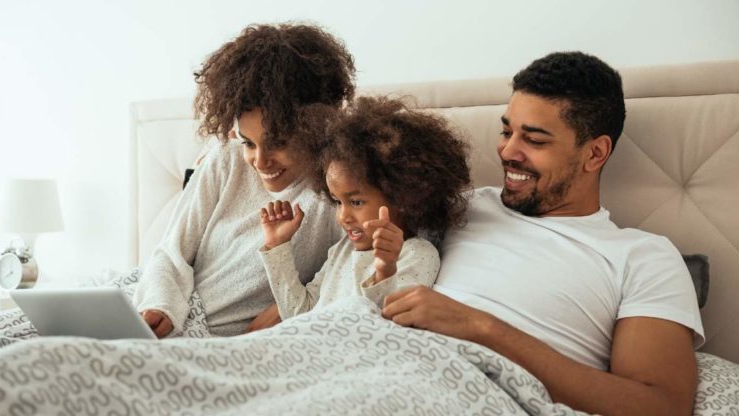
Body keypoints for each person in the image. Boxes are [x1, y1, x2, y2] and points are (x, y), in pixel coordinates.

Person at [381, 52, 704, 416]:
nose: (507, 151)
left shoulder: (643, 257)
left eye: (534, 140)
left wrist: (479, 326)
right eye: (506, 131)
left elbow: (661, 406)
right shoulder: (464, 205)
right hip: (384, 360)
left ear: (595, 153)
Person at [133, 23, 356, 338]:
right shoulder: (226, 157)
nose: (260, 162)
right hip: (162, 311)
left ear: (315, 126)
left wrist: (296, 306)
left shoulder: (342, 185)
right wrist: (160, 307)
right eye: (249, 142)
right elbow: (172, 252)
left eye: (278, 142)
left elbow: (365, 267)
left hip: (224, 339)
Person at [257, 96, 471, 319]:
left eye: (356, 202)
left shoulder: (417, 254)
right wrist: (277, 246)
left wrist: (385, 271)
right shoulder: (343, 250)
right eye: (338, 202)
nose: (343, 216)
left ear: (404, 198)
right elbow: (299, 314)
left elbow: (382, 327)